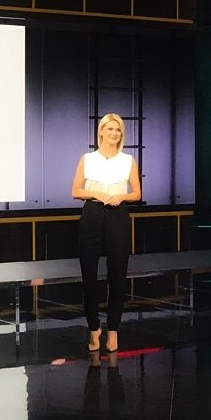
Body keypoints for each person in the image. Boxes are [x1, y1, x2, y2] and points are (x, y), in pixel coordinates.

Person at [71, 113, 141, 353]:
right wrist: (96, 194)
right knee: (89, 274)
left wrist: (122, 196)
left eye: (118, 130)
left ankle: (113, 330)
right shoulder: (88, 159)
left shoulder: (128, 160)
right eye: (110, 129)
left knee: (118, 274)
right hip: (93, 213)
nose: (114, 133)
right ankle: (94, 329)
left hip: (118, 214)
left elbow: (137, 193)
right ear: (101, 131)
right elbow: (75, 190)